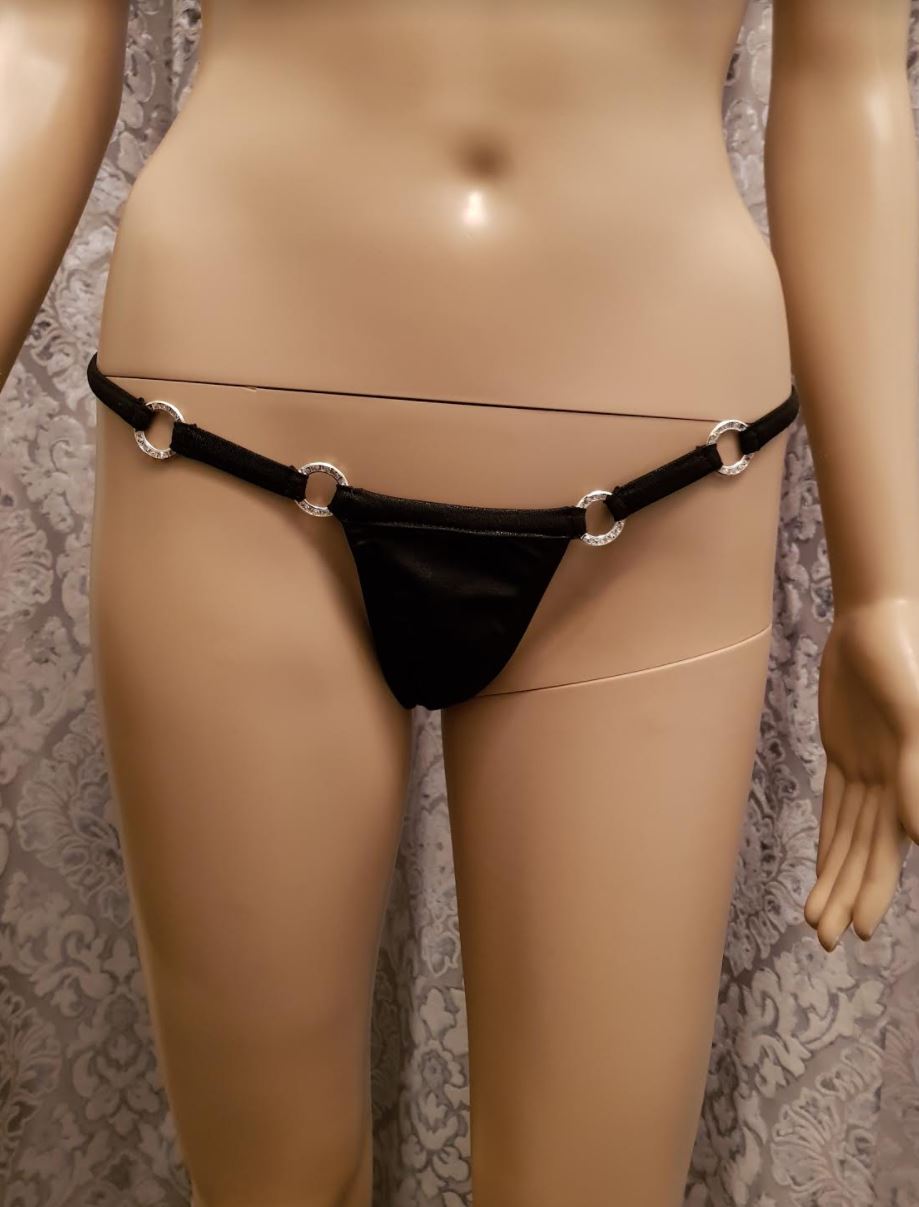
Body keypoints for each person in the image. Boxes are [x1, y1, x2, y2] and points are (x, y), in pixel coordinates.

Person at [2, 2, 918, 1204]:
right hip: (229, 424)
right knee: (273, 1184)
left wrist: (887, 588)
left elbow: (848, 88)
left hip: (664, 469)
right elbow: (37, 39)